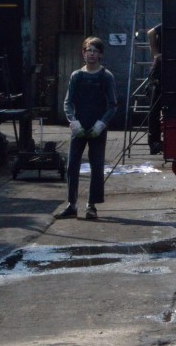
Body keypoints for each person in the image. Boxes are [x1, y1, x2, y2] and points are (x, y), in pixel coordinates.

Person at [56, 37, 118, 220]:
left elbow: (113, 105)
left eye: (95, 51)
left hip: (97, 128)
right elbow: (68, 102)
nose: (91, 53)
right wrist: (73, 121)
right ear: (83, 53)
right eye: (88, 50)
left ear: (100, 54)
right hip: (79, 127)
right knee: (72, 165)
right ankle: (71, 205)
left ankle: (91, 206)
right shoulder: (77, 76)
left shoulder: (106, 76)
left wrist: (102, 124)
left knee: (97, 166)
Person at [145, 25, 163, 155]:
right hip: (161, 68)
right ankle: (154, 142)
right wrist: (156, 54)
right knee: (155, 107)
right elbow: (151, 32)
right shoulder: (167, 22)